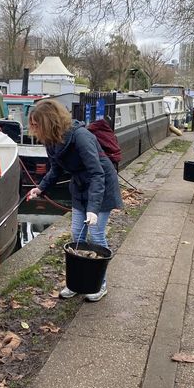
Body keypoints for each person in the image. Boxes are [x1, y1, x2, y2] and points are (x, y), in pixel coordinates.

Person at [26, 100, 123, 302]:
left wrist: (93, 209)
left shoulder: (81, 137)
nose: (33, 128)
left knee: (96, 235)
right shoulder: (51, 140)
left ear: (49, 121)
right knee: (76, 235)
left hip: (101, 188)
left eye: (36, 124)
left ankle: (99, 284)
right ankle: (77, 283)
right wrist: (41, 187)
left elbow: (97, 174)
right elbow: (56, 168)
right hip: (80, 187)